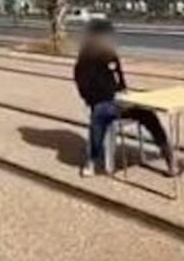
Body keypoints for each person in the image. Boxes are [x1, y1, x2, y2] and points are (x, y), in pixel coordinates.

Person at [74, 19, 176, 177]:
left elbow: (119, 78)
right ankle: (92, 160)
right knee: (99, 117)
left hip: (121, 101)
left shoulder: (110, 55)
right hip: (102, 103)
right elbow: (84, 89)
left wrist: (124, 93)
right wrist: (108, 97)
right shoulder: (85, 60)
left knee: (148, 113)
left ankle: (169, 157)